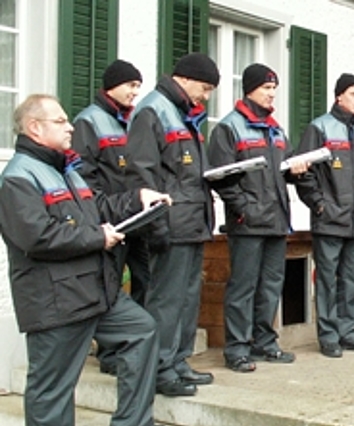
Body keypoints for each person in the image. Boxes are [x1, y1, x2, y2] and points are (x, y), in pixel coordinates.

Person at [0, 94, 171, 426]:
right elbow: (37, 236)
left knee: (142, 330)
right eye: (60, 121)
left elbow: (98, 208)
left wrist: (136, 198)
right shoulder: (18, 178)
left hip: (94, 290)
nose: (70, 126)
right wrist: (99, 237)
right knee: (52, 385)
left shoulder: (66, 170)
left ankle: (132, 421)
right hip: (56, 299)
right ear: (35, 129)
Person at [126, 53, 220, 395]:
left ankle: (179, 361)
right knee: (166, 299)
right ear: (185, 79)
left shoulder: (183, 114)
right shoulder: (154, 111)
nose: (206, 96)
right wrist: (156, 226)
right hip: (171, 224)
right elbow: (142, 173)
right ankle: (161, 370)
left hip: (192, 222)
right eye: (205, 88)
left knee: (187, 298)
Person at [208, 63, 308, 372]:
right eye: (266, 88)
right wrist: (245, 210)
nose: (271, 94)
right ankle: (237, 349)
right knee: (243, 286)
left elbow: (282, 170)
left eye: (274, 89)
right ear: (250, 89)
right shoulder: (229, 128)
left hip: (277, 221)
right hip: (248, 224)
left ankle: (265, 343)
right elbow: (221, 178)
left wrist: (295, 170)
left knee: (270, 286)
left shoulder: (276, 130)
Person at [295, 73, 354, 358]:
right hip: (329, 218)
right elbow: (303, 172)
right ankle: (329, 336)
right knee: (327, 281)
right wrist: (320, 205)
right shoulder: (319, 127)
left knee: (351, 281)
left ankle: (349, 332)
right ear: (339, 96)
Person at [72, 59, 151, 376]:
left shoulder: (135, 121)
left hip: (138, 219)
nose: (135, 92)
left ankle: (139, 347)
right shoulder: (88, 122)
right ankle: (109, 354)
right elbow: (83, 178)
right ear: (112, 86)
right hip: (110, 221)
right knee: (110, 286)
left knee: (147, 280)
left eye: (138, 87)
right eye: (131, 85)